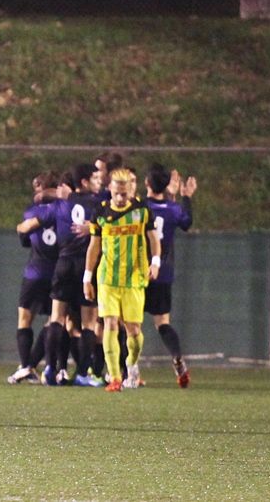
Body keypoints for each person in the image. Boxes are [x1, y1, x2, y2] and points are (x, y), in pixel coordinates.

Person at [16, 165, 100, 386]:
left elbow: (27, 227)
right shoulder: (96, 203)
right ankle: (82, 373)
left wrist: (21, 226)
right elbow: (107, 224)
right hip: (86, 267)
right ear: (83, 182)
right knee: (88, 323)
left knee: (57, 318)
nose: (99, 182)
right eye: (96, 178)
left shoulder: (59, 206)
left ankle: (51, 369)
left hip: (62, 265)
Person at [84, 167, 161, 392]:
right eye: (115, 193)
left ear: (131, 190)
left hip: (134, 278)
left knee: (134, 332)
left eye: (123, 194)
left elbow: (153, 238)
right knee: (109, 323)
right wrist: (87, 278)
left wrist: (155, 262)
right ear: (109, 189)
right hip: (107, 278)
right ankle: (115, 378)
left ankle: (131, 363)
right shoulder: (100, 211)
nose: (119, 198)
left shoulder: (142, 210)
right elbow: (94, 246)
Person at [144, 163, 197, 388]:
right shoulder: (172, 209)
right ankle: (176, 358)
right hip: (163, 273)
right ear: (166, 186)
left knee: (128, 324)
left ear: (146, 183)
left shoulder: (139, 207)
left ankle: (127, 371)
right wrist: (184, 197)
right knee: (162, 323)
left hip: (139, 271)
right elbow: (186, 222)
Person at [7, 171, 58, 384]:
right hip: (57, 272)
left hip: (35, 272)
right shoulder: (65, 208)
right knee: (54, 320)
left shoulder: (32, 212)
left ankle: (27, 366)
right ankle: (35, 366)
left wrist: (21, 230)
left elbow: (25, 238)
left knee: (25, 319)